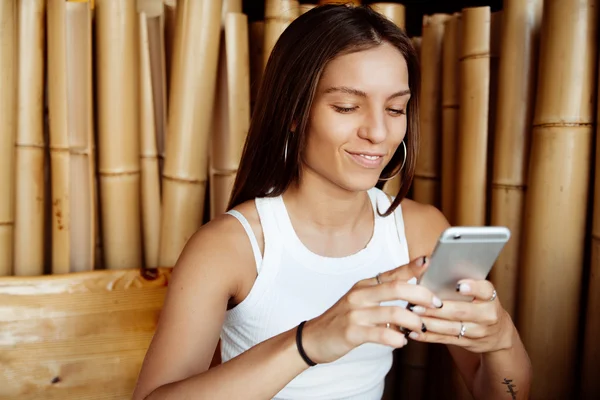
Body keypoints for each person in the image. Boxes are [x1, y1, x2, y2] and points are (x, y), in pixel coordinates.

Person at [132, 4, 532, 400]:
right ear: (293, 111)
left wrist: (502, 340)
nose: (378, 132)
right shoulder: (230, 246)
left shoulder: (419, 232)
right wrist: (308, 343)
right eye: (346, 106)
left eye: (395, 108)